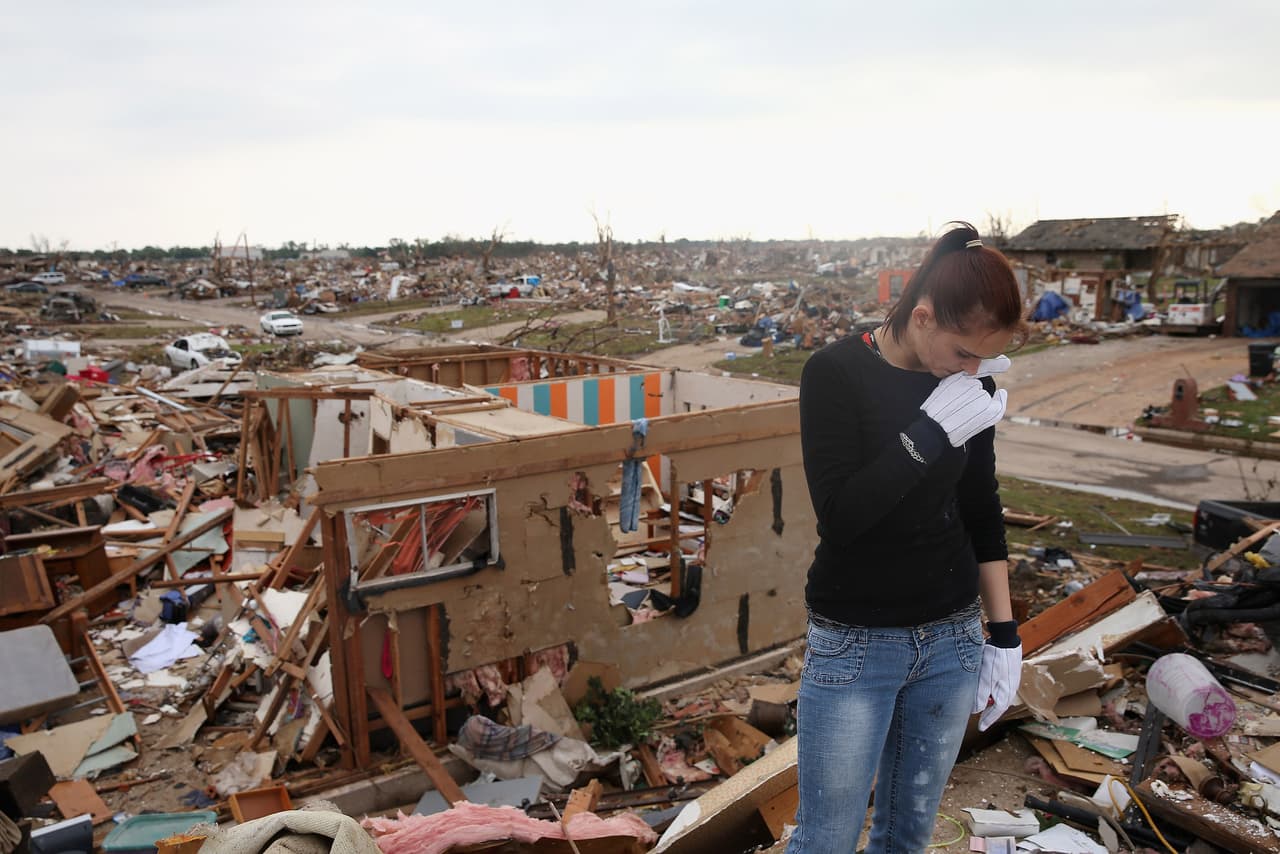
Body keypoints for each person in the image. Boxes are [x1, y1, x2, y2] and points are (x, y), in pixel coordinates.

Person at [788, 222, 1026, 853]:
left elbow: (981, 508)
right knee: (826, 840)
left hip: (951, 641)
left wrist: (1003, 636)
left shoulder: (967, 387)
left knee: (907, 836)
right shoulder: (835, 373)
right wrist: (928, 432)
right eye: (963, 353)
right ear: (922, 318)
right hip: (857, 645)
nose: (972, 370)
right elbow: (841, 516)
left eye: (985, 358)